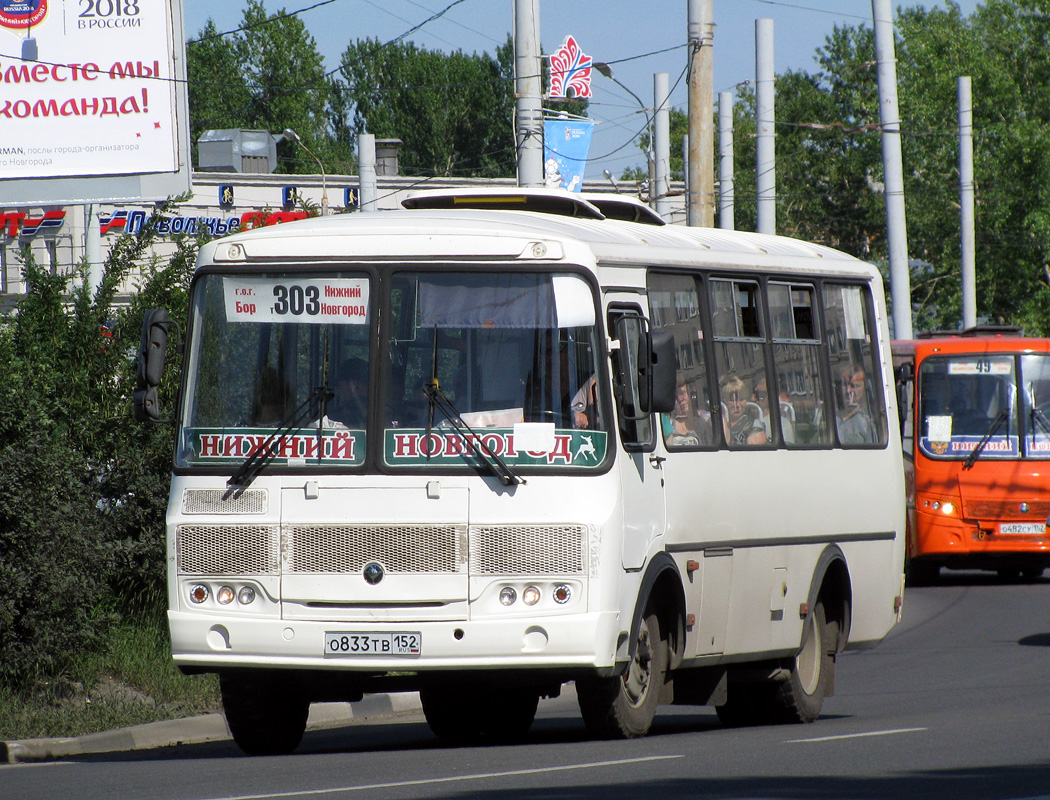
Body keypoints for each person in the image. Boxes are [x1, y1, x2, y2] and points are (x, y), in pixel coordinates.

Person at [662, 382, 712, 447]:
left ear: (691, 396)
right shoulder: (667, 425)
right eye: (675, 396)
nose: (680, 399)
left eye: (682, 393)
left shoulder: (703, 423)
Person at [722, 374, 767, 445]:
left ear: (746, 401)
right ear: (725, 401)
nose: (737, 405)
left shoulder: (754, 426)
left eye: (741, 399)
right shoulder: (720, 424)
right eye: (732, 400)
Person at [836, 364, 875, 445]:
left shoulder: (866, 421)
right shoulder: (830, 415)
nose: (848, 390)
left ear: (866, 389)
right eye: (845, 384)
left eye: (855, 386)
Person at [327, 357, 370, 429]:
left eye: (339, 386)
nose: (338, 391)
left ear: (354, 385)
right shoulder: (339, 412)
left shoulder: (380, 413)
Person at [753, 377, 795, 444]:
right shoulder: (745, 422)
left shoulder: (781, 423)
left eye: (760, 395)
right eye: (753, 394)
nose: (753, 399)